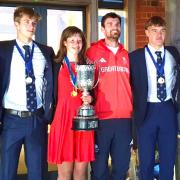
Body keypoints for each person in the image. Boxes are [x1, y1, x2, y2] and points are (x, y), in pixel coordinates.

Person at [0, 6, 54, 180]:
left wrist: (48, 114)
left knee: (37, 172)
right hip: (11, 120)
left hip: (36, 120)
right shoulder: (3, 50)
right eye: (26, 22)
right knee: (6, 172)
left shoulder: (46, 51)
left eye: (34, 23)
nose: (31, 26)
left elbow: (51, 84)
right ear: (16, 24)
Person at [129, 16, 180, 180]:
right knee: (146, 160)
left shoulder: (173, 53)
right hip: (146, 110)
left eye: (162, 31)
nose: (159, 35)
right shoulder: (135, 57)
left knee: (168, 158)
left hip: (168, 109)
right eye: (154, 31)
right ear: (146, 33)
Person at [86, 12, 133, 180]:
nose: (114, 27)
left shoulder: (127, 55)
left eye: (117, 24)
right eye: (110, 24)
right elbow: (85, 86)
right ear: (102, 28)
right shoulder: (91, 53)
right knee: (99, 170)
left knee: (121, 169)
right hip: (101, 119)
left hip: (124, 120)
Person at [48, 26, 95, 180]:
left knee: (81, 172)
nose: (76, 43)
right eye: (72, 40)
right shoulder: (55, 64)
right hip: (63, 121)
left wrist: (90, 99)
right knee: (64, 173)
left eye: (79, 40)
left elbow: (94, 93)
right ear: (64, 43)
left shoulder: (88, 65)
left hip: (83, 120)